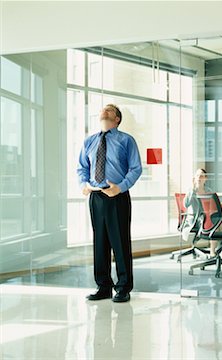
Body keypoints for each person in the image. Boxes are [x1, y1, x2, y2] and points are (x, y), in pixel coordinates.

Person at [77, 104, 142, 303]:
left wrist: (120, 187)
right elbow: (82, 167)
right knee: (100, 242)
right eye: (102, 110)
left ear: (117, 119)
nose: (104, 111)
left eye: (110, 110)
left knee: (120, 242)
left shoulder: (126, 140)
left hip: (117, 197)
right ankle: (103, 286)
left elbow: (136, 168)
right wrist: (84, 184)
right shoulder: (89, 141)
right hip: (96, 197)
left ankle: (123, 287)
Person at [183, 168, 222, 256]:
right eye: (197, 176)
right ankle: (217, 248)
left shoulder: (208, 191)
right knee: (215, 223)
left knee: (217, 221)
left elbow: (212, 207)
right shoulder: (191, 190)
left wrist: (221, 205)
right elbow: (186, 204)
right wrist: (192, 189)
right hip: (195, 220)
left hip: (205, 218)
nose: (199, 178)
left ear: (205, 178)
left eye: (201, 176)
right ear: (194, 178)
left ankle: (221, 246)